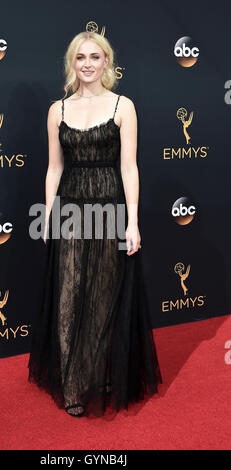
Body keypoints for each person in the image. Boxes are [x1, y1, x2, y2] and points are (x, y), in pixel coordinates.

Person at [28, 31, 162, 418]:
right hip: (70, 212)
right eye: (80, 57)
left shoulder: (123, 106)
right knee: (68, 297)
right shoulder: (58, 110)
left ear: (107, 62)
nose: (87, 63)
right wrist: (47, 215)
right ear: (72, 63)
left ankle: (102, 374)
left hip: (110, 211)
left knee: (104, 297)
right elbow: (54, 168)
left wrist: (132, 221)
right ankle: (72, 383)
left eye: (95, 56)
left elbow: (129, 167)